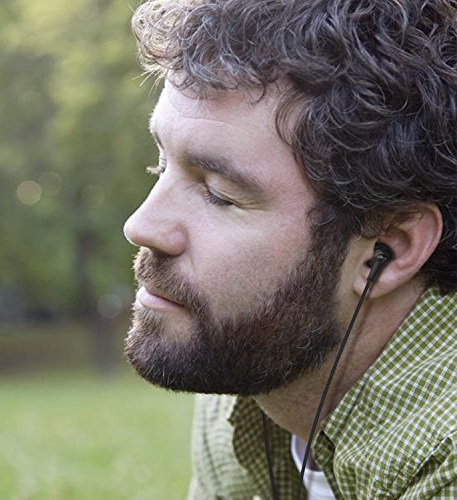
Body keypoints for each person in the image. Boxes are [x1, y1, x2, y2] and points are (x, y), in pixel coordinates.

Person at [123, 0, 456, 498]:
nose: (141, 226)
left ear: (388, 248)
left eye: (219, 193)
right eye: (161, 164)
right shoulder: (251, 355)